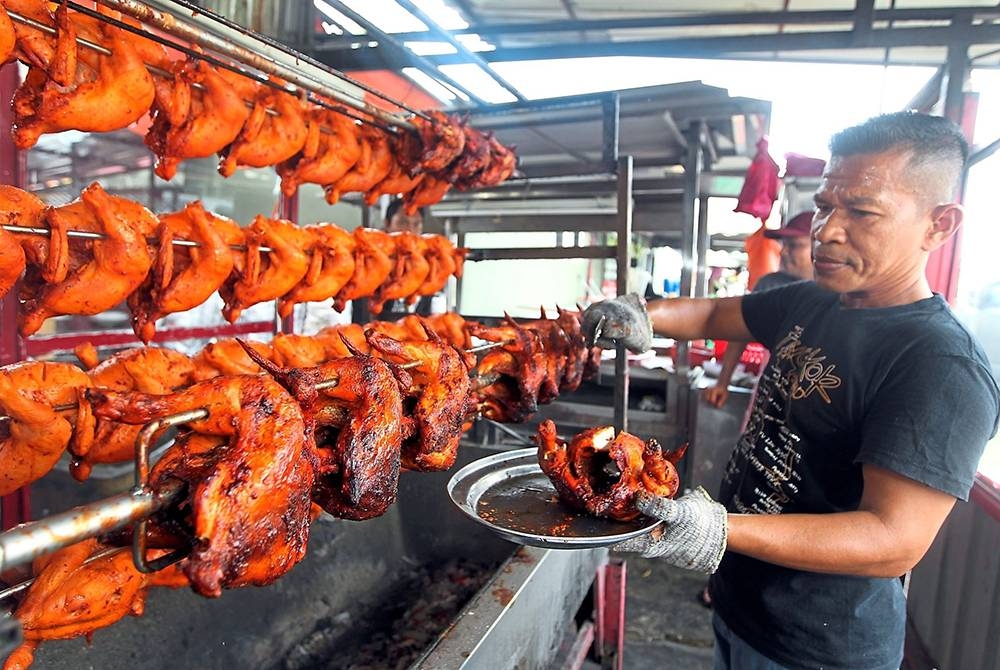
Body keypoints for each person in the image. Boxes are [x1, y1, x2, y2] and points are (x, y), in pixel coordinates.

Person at [581, 112, 1000, 670]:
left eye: (862, 211)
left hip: (817, 648)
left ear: (938, 225)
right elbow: (713, 313)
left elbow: (894, 539)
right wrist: (640, 314)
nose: (826, 229)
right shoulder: (813, 300)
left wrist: (717, 529)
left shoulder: (939, 365)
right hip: (741, 607)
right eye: (825, 205)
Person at [702, 211, 814, 410]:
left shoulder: (842, 294)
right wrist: (723, 382)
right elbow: (741, 329)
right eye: (784, 245)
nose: (783, 252)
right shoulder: (772, 285)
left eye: (794, 245)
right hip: (773, 392)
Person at [352, 198, 434, 324]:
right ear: (387, 224)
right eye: (403, 222)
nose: (409, 231)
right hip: (369, 331)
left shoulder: (428, 265)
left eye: (416, 224)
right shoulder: (369, 258)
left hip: (415, 333)